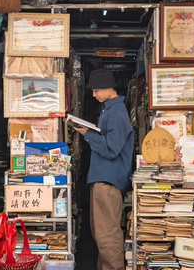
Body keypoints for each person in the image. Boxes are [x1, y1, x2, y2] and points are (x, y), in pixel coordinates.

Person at [73, 68, 134, 270]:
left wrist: (88, 135)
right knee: (102, 234)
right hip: (103, 179)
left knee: (107, 234)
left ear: (109, 88)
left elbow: (111, 148)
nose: (93, 94)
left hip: (107, 181)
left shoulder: (117, 112)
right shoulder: (110, 109)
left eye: (96, 90)